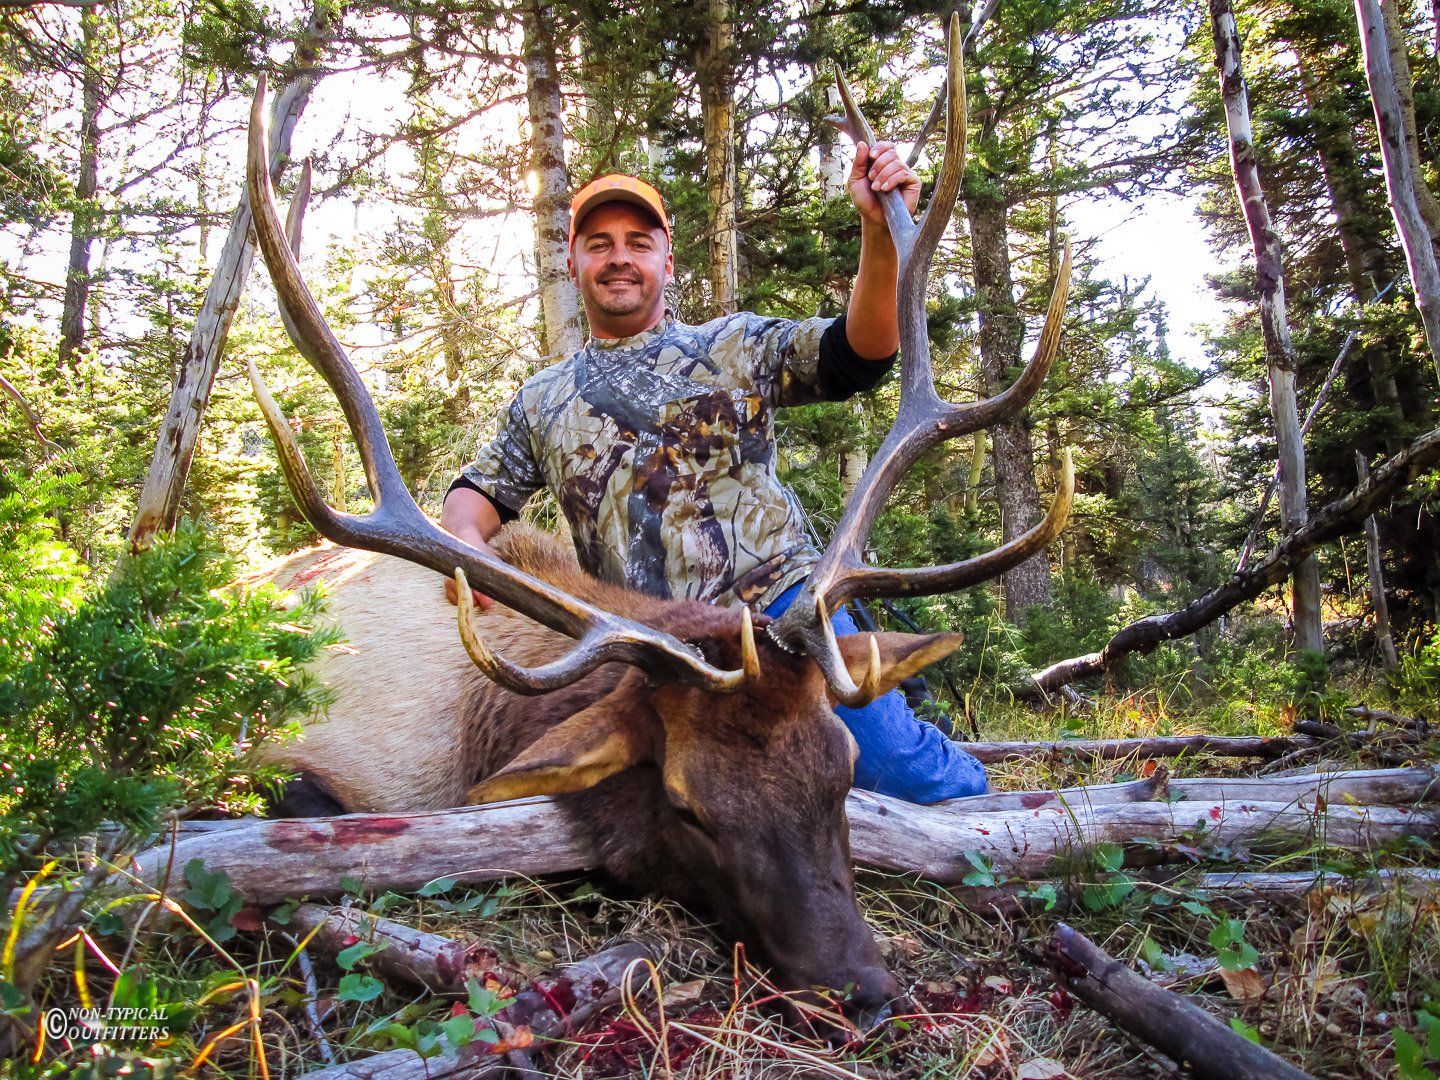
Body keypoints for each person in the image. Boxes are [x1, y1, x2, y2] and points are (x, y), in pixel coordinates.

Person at [440, 143, 987, 803]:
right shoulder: (543, 400)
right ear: (573, 261)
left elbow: (859, 354)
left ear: (667, 263)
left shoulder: (732, 346)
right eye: (600, 243)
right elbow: (475, 496)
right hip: (651, 653)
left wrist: (878, 232)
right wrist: (465, 548)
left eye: (639, 243)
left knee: (899, 777)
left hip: (781, 620)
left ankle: (991, 812)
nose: (619, 257)